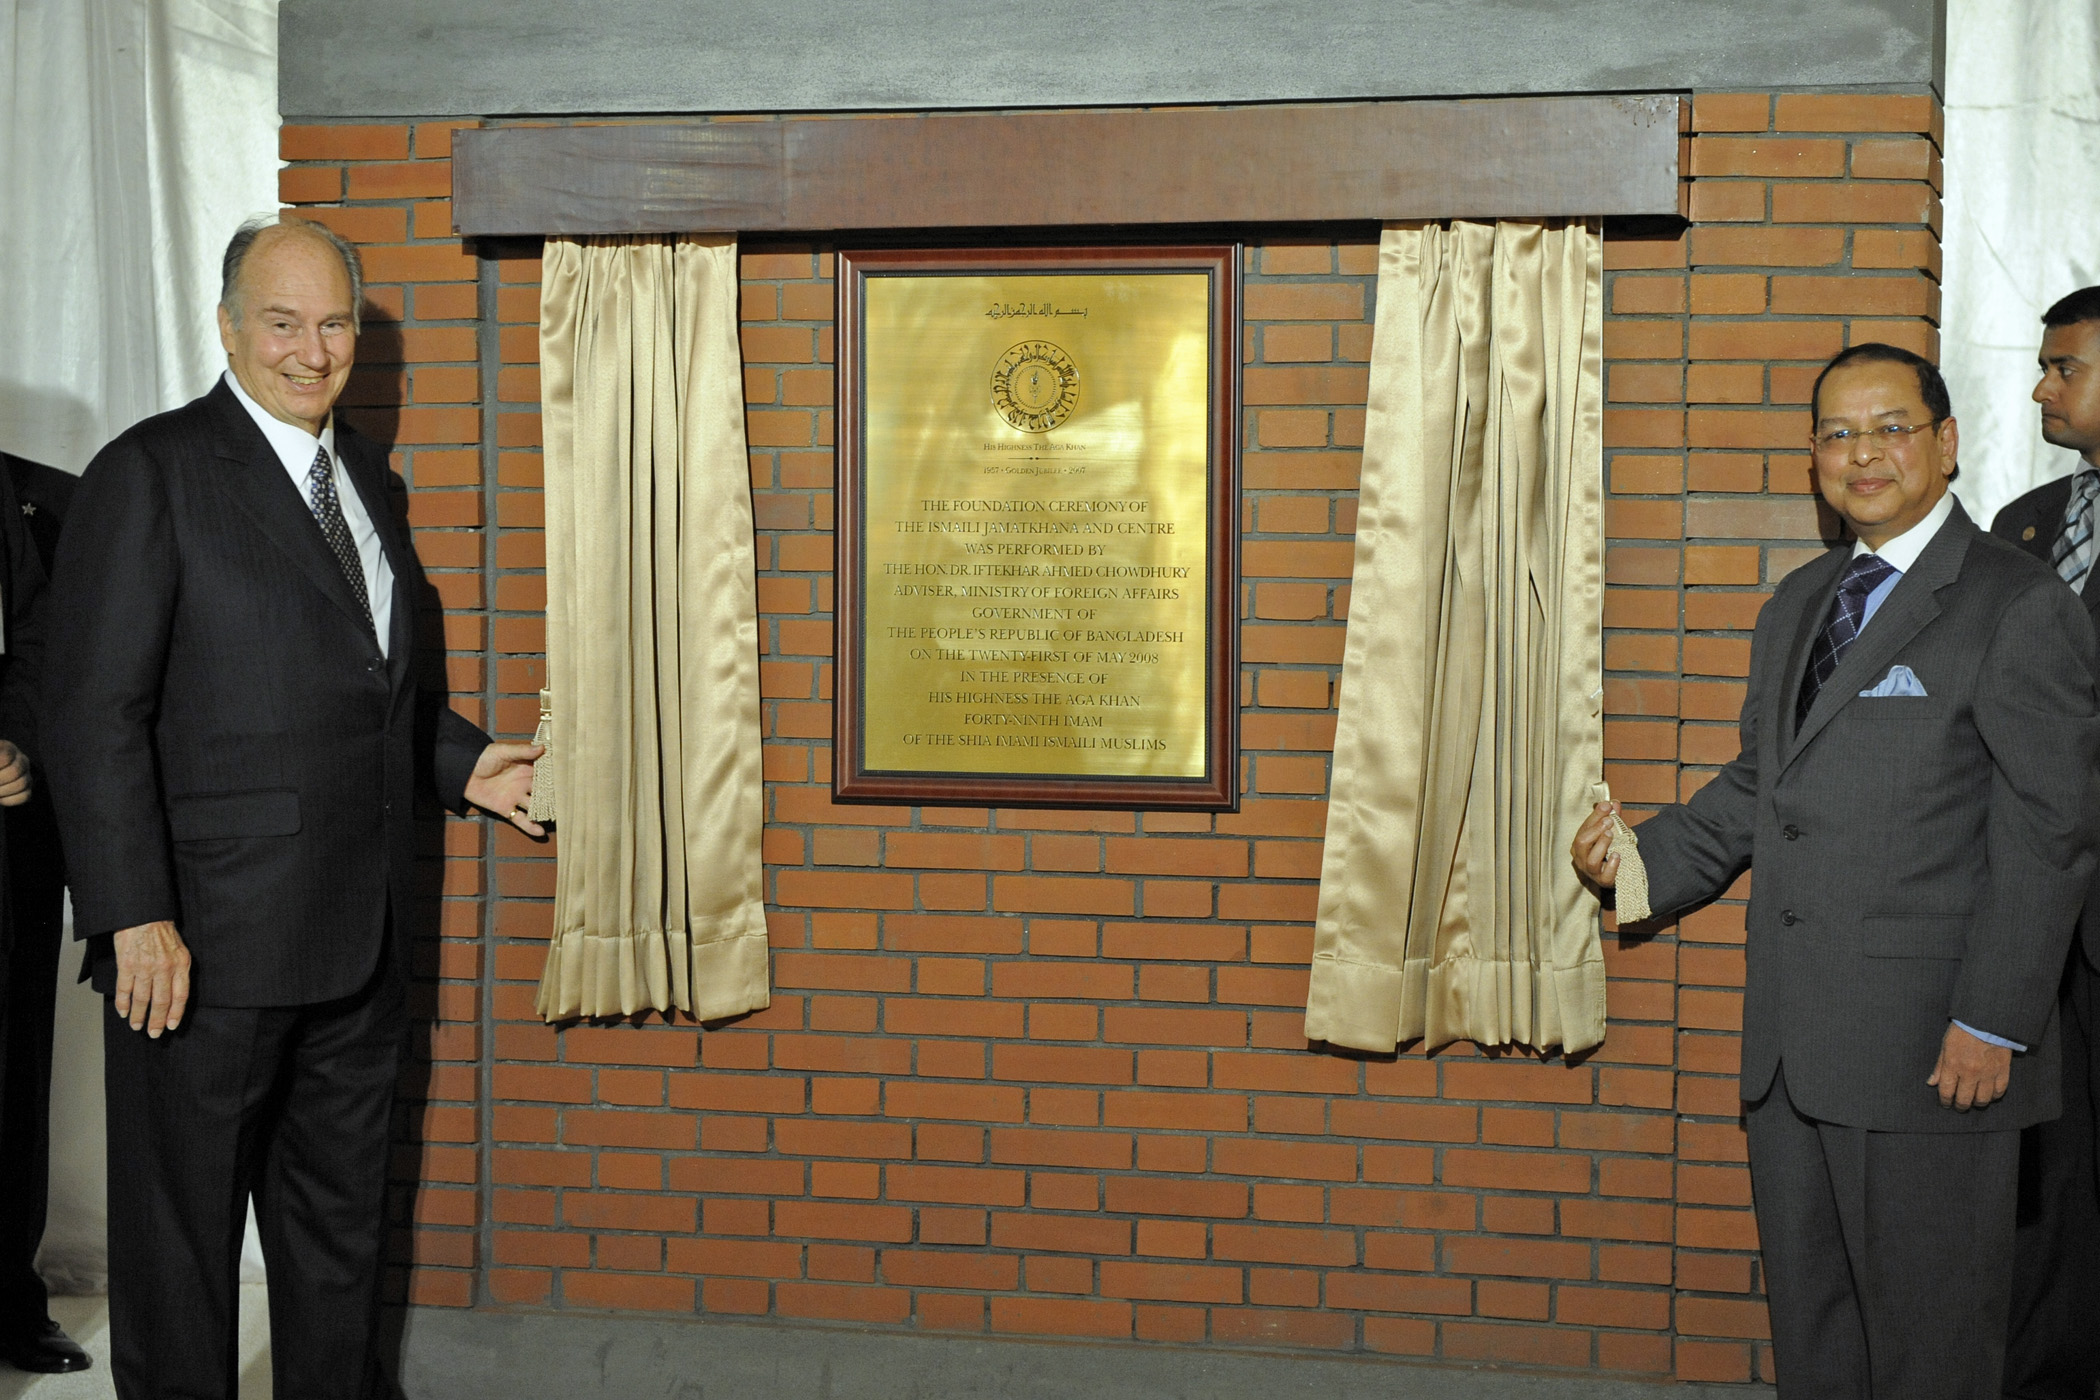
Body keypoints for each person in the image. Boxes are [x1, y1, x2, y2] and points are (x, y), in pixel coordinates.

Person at [39, 215, 544, 1400]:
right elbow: (92, 713)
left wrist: (464, 763)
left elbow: (368, 683)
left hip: (355, 945)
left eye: (334, 324)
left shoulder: (367, 475)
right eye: (283, 321)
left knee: (338, 1242)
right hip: (198, 950)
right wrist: (133, 915)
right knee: (181, 1256)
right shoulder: (149, 471)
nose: (313, 350)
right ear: (225, 327)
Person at [1571, 343, 2099, 1399]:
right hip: (1794, 1050)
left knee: (1934, 1344)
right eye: (1838, 432)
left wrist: (1994, 1019)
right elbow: (1765, 785)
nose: (1864, 454)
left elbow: (2053, 830)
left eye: (1891, 427)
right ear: (1813, 455)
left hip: (1937, 1047)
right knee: (1817, 1337)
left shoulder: (2017, 601)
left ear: (1946, 443)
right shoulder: (1801, 600)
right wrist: (1636, 864)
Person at [1988, 284, 2100, 1400]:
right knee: (2045, 1183)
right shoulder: (2026, 525)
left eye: (2064, 366)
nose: (2039, 386)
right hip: (2035, 930)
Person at [0, 451, 78, 1374]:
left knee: (15, 1074)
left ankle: (9, 1300)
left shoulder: (47, 495)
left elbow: (45, 641)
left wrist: (16, 742)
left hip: (12, 848)